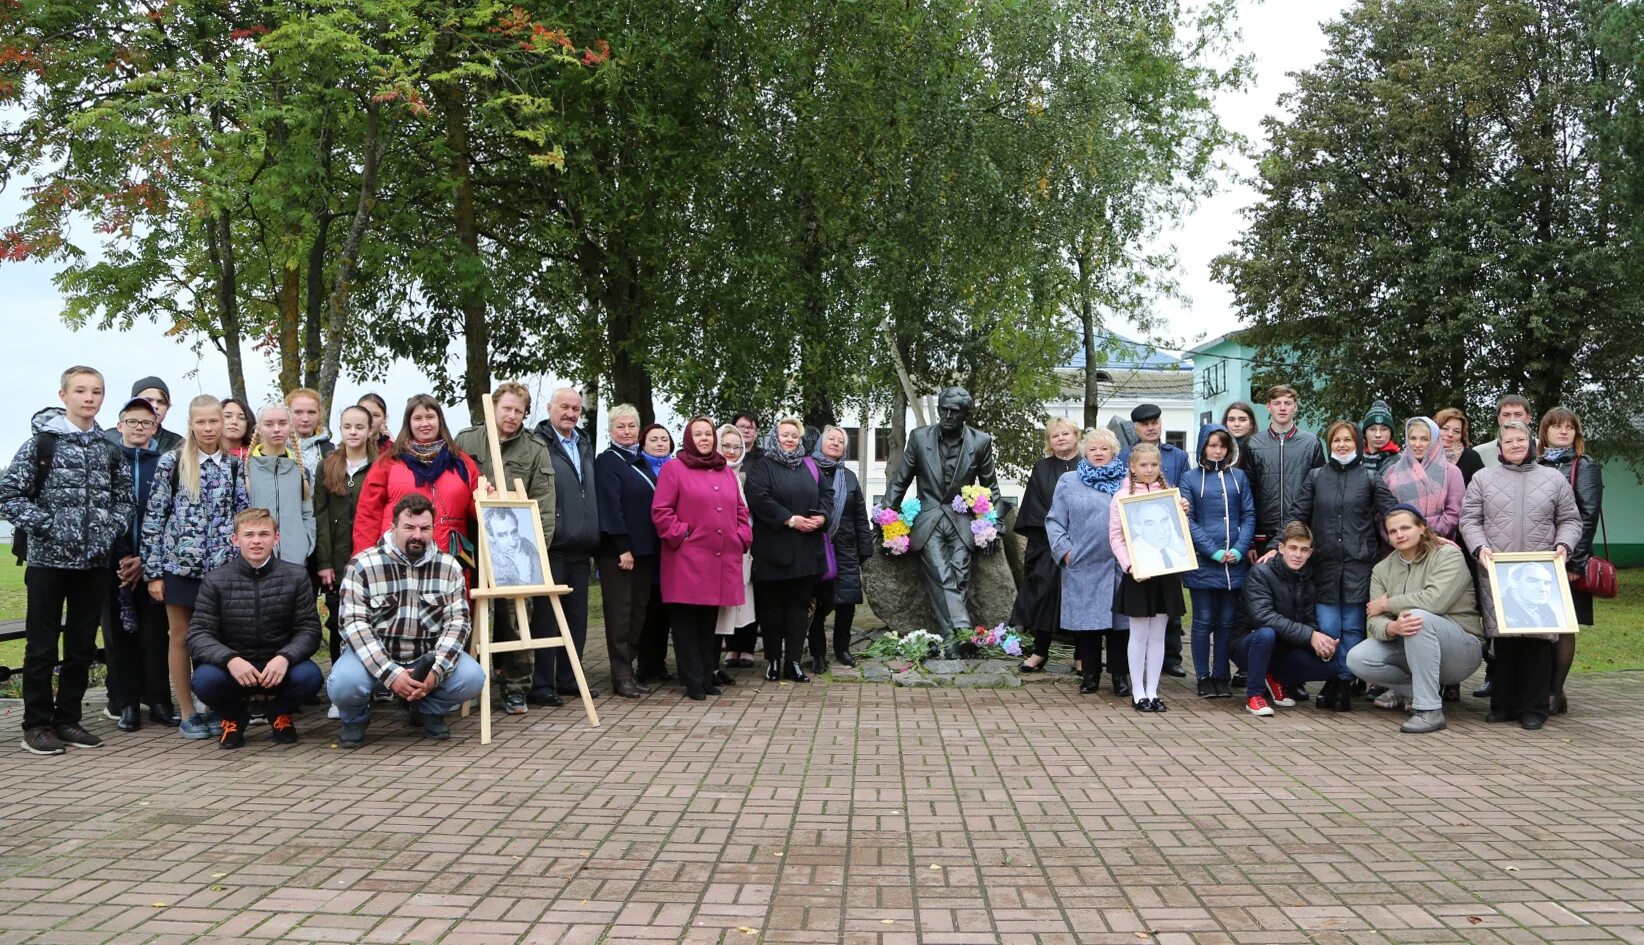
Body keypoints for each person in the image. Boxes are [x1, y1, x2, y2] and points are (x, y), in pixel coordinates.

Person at [1, 367, 136, 755]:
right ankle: (37, 724)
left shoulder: (108, 449)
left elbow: (124, 500)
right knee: (41, 647)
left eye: (96, 391)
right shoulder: (41, 445)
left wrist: (108, 529)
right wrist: (47, 527)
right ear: (63, 395)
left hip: (93, 565)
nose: (88, 398)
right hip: (47, 564)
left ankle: (68, 718)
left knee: (80, 646)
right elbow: (8, 495)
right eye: (80, 391)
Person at [330, 493, 486, 746]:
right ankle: (355, 719)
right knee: (343, 683)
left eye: (425, 528)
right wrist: (391, 674)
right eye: (409, 527)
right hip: (373, 657)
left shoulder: (450, 567)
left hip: (425, 657)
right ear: (393, 528)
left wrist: (435, 672)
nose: (417, 535)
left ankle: (427, 709)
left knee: (472, 677)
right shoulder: (362, 565)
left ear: (434, 529)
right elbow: (353, 625)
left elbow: (458, 623)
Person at [1459, 420, 1582, 730]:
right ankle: (1504, 704)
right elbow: (1469, 520)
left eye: (1520, 439)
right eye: (1508, 440)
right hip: (1496, 570)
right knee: (1504, 640)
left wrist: (1564, 545)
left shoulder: (1553, 479)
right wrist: (1480, 548)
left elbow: (1570, 519)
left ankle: (1534, 707)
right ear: (1499, 446)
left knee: (1538, 639)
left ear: (1531, 444)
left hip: (1541, 571)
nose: (1515, 445)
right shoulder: (1482, 479)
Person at [141, 395, 249, 738]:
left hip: (221, 569)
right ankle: (187, 711)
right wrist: (154, 572)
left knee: (217, 638)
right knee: (181, 636)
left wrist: (243, 565)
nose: (207, 428)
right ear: (190, 423)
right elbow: (154, 518)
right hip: (180, 566)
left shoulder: (233, 465)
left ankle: (214, 704)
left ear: (222, 423)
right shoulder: (172, 463)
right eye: (200, 422)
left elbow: (242, 518)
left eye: (213, 421)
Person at [456, 381, 559, 713]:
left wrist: (535, 551)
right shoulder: (466, 441)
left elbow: (543, 503)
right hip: (470, 546)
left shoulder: (535, 449)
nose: (512, 415)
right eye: (507, 408)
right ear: (493, 407)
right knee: (466, 615)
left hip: (515, 548)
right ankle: (464, 683)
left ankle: (515, 687)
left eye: (519, 410)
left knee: (517, 618)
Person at [186, 509, 325, 749]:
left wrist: (285, 657)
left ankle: (279, 712)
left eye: (264, 534)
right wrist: (230, 659)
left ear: (276, 538)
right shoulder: (215, 580)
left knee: (310, 677)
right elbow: (198, 634)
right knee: (203, 681)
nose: (257, 541)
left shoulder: (296, 576)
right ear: (235, 539)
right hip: (235, 666)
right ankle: (234, 717)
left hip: (279, 666)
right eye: (249, 534)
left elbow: (309, 629)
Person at [1287, 420, 1395, 711]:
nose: (1343, 445)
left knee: (1352, 626)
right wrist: (1278, 546)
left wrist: (1427, 537)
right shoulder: (1316, 476)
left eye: (1348, 440)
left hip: (1359, 564)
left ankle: (1345, 681)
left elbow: (1393, 513)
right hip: (1324, 565)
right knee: (1328, 625)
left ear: (1357, 443)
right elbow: (1298, 515)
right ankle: (1329, 676)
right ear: (1329, 444)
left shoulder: (1370, 478)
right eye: (1337, 440)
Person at [1349, 506, 1484, 733]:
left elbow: (1435, 601)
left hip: (1461, 648)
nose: (1399, 535)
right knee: (1356, 658)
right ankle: (1414, 690)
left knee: (1417, 618)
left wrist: (1387, 603)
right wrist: (1392, 626)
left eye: (1405, 527)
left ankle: (1429, 710)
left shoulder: (1447, 555)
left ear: (1422, 528)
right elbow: (1374, 619)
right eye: (1392, 531)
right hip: (1410, 643)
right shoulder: (1382, 569)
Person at [879, 386, 1001, 633]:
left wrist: (994, 526)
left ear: (964, 414)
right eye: (942, 409)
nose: (946, 415)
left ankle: (952, 635)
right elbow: (900, 481)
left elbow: (992, 489)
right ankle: (961, 634)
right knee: (941, 572)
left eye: (953, 412)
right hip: (929, 518)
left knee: (960, 573)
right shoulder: (919, 437)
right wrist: (886, 519)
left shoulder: (980, 442)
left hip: (961, 520)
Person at [651, 416, 752, 700]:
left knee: (709, 625)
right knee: (686, 625)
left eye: (708, 434)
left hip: (719, 561)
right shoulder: (674, 468)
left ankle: (707, 675)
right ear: (688, 438)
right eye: (699, 434)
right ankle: (693, 680)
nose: (705, 439)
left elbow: (740, 512)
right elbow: (661, 511)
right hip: (686, 560)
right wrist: (682, 535)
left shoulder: (725, 472)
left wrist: (742, 536)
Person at [746, 416, 833, 682]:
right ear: (775, 437)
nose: (790, 439)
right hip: (774, 549)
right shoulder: (763, 465)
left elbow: (827, 495)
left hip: (806, 550)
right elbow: (758, 497)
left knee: (799, 607)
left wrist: (822, 517)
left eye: (794, 436)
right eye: (785, 435)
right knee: (772, 608)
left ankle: (793, 662)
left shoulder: (810, 466)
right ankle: (773, 660)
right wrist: (790, 519)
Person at [1045, 428, 1128, 695]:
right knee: (1087, 625)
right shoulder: (1069, 481)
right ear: (1085, 452)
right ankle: (1090, 675)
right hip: (1083, 563)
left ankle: (1120, 676)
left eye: (1104, 448)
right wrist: (1065, 551)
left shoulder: (1128, 480)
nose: (1098, 453)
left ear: (1114, 451)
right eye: (1093, 449)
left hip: (1119, 563)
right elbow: (1055, 521)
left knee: (1120, 625)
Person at [530, 387, 600, 706]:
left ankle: (569, 678)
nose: (570, 413)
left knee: (576, 619)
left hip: (581, 546)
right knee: (546, 617)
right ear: (550, 408)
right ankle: (542, 683)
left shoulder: (584, 443)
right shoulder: (538, 443)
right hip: (553, 544)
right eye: (564, 407)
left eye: (576, 408)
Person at [352, 395, 479, 565]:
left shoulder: (461, 462)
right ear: (408, 423)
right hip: (396, 558)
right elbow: (368, 513)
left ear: (440, 420)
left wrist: (487, 498)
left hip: (449, 558)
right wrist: (363, 559)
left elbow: (477, 505)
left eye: (430, 417)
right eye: (417, 418)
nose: (424, 423)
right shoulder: (389, 462)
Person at [104, 397, 169, 732]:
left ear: (155, 428)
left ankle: (159, 700)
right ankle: (127, 703)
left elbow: (169, 516)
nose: (139, 428)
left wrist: (146, 559)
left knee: (155, 635)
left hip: (153, 562)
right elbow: (101, 512)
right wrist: (122, 559)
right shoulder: (107, 461)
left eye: (146, 423)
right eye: (132, 422)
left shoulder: (165, 463)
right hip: (114, 564)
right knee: (118, 636)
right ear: (120, 425)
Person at [1107, 443, 1186, 713]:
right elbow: (1116, 537)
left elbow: (1179, 534)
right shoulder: (1120, 497)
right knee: (1138, 634)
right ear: (1133, 467)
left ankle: (1153, 690)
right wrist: (1130, 567)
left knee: (1159, 634)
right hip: (1138, 573)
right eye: (1143, 465)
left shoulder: (1169, 493)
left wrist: (1183, 513)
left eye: (1154, 465)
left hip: (1165, 572)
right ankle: (1137, 692)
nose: (1149, 470)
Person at [1235, 522, 1339, 716]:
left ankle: (1276, 677)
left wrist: (1322, 645)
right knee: (1266, 634)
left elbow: (1309, 622)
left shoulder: (1307, 579)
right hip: (1248, 644)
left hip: (1283, 646)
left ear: (1310, 552)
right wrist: (1310, 635)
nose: (1298, 555)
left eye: (1303, 550)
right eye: (1292, 548)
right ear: (1281, 548)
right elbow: (1262, 616)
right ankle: (1254, 696)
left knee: (1331, 668)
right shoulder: (1261, 572)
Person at [1181, 424, 1255, 698]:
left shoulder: (1239, 477)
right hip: (1204, 561)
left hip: (1233, 563)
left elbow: (1248, 515)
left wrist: (1238, 549)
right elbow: (1187, 520)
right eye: (1212, 445)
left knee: (1226, 622)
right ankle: (1202, 676)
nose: (1217, 450)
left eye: (1222, 445)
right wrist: (1211, 551)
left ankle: (1220, 674)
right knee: (1202, 621)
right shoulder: (1189, 478)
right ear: (1203, 447)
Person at [1537, 406, 1602, 715]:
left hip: (1568, 557)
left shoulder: (1584, 466)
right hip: (1536, 558)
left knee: (1563, 626)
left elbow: (1588, 515)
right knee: (1542, 624)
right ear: (1544, 432)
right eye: (1556, 426)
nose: (1563, 431)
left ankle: (1555, 690)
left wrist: (1575, 562)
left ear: (1576, 434)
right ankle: (1540, 688)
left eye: (1569, 427)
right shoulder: (1534, 463)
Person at [595, 404, 663, 698]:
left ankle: (630, 668)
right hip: (620, 553)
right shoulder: (607, 461)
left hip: (646, 551)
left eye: (632, 426)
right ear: (611, 430)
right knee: (621, 614)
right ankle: (620, 675)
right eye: (620, 426)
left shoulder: (641, 461)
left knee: (638, 613)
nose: (627, 432)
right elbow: (611, 507)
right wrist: (622, 547)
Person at [1119, 403, 1190, 677]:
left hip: (1168, 537)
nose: (1150, 427)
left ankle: (1171, 658)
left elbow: (1184, 491)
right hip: (1138, 542)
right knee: (1140, 609)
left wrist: (1183, 507)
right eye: (1144, 424)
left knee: (1168, 606)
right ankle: (1136, 664)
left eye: (1155, 422)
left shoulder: (1178, 456)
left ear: (1161, 424)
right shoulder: (1124, 456)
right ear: (1135, 428)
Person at [1009, 418, 1082, 673]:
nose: (1060, 438)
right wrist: (1056, 537)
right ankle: (1040, 652)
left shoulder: (1087, 466)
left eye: (1065, 433)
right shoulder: (1041, 468)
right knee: (1042, 596)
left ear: (1076, 435)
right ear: (1049, 443)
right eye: (1054, 436)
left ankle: (1081, 656)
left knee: (1080, 599)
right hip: (1047, 543)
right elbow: (1035, 506)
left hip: (1083, 546)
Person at [806, 425, 875, 674]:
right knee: (817, 603)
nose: (835, 443)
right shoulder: (807, 470)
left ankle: (842, 649)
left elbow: (859, 515)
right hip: (815, 548)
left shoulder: (849, 477)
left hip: (845, 549)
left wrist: (864, 548)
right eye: (831, 439)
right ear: (821, 443)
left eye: (841, 440)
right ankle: (818, 654)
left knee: (847, 602)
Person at [314, 405, 377, 667]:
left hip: (370, 558)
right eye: (347, 426)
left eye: (359, 427)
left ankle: (378, 682)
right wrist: (324, 562)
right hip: (337, 562)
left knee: (373, 619)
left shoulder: (380, 465)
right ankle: (341, 678)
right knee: (338, 620)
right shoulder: (327, 465)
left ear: (370, 430)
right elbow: (319, 515)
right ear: (339, 428)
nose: (353, 432)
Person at [1245, 384, 1324, 552]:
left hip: (1301, 534)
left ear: (1295, 407)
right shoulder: (1253, 444)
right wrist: (1250, 541)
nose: (1282, 408)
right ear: (1268, 407)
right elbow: (1247, 494)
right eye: (1277, 403)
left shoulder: (1311, 443)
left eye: (1288, 403)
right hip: (1263, 536)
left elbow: (1320, 492)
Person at [246, 403, 316, 567]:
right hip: (255, 562)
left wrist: (305, 543)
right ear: (259, 428)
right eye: (269, 424)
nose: (276, 429)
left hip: (295, 560)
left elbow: (308, 512)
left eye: (282, 423)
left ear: (291, 427)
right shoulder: (246, 471)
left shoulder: (301, 472)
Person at [713, 425, 758, 666]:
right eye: (726, 446)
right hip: (715, 548)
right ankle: (722, 653)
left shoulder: (749, 471)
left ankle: (744, 646)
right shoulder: (710, 471)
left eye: (737, 447)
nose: (731, 451)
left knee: (744, 598)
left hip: (743, 545)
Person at [635, 423, 675, 681]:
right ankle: (644, 664)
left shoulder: (677, 468)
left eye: (664, 439)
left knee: (664, 611)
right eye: (654, 439)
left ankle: (659, 663)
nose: (660, 444)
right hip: (647, 548)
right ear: (643, 444)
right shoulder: (638, 467)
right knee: (645, 609)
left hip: (671, 550)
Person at [1381, 417, 1464, 539]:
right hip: (1400, 546)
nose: (1417, 444)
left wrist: (1418, 532)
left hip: (1438, 545)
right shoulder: (1391, 473)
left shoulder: (1451, 472)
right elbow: (1382, 514)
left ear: (1434, 441)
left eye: (1424, 439)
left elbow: (1454, 514)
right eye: (1413, 438)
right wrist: (1396, 537)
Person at [104, 375, 184, 453]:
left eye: (161, 402)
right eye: (148, 400)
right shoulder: (108, 438)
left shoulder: (178, 445)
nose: (155, 406)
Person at [285, 388, 335, 482]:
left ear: (319, 415)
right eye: (298, 412)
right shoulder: (274, 448)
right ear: (287, 414)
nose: (305, 419)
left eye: (311, 412)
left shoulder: (331, 451)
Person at [1434, 407, 1485, 486]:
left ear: (1462, 435)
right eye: (1445, 428)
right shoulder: (1421, 453)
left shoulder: (1471, 457)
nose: (1450, 434)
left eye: (1456, 431)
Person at [1222, 401, 1263, 481]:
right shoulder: (1218, 450)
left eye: (1242, 420)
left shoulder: (1260, 451)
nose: (1236, 424)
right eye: (1231, 420)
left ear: (1251, 424)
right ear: (1225, 423)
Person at [1359, 400, 1401, 475]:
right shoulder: (1355, 461)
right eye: (1372, 429)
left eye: (1384, 429)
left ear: (1391, 433)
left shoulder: (1401, 462)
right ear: (1365, 433)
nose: (1378, 435)